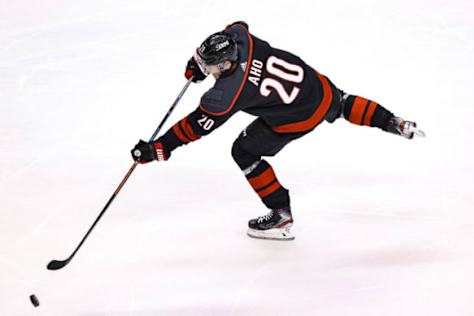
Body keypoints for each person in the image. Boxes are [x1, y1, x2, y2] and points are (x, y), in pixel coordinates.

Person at [131, 21, 425, 241]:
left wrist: (160, 148)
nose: (207, 72)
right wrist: (199, 64)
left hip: (298, 115)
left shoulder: (225, 96)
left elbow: (194, 127)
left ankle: (280, 215)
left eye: (210, 68)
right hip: (315, 86)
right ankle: (394, 122)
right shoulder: (241, 37)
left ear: (224, 63)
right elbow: (236, 25)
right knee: (341, 102)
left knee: (243, 151)